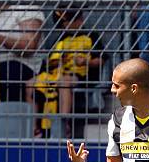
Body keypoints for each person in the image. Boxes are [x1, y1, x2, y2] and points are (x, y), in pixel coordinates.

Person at [26, 8, 105, 138]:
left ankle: (64, 123)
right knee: (30, 84)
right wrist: (58, 61)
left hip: (81, 76)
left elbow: (101, 60)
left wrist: (86, 62)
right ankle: (34, 128)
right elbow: (48, 62)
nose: (64, 25)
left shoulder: (91, 36)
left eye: (68, 22)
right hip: (56, 73)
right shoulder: (61, 38)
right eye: (64, 23)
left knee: (64, 81)